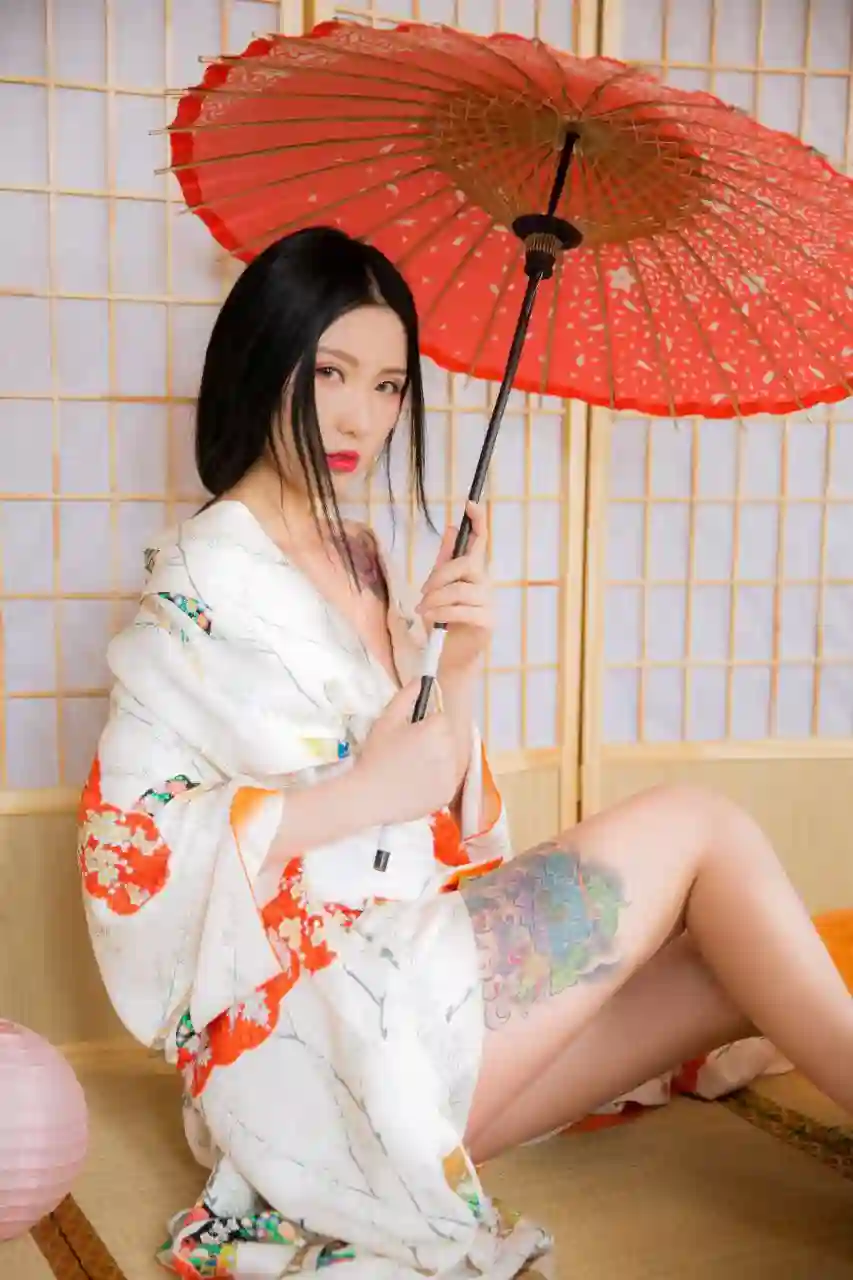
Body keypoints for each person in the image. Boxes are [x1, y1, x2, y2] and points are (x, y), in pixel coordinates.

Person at [78, 227, 853, 1280]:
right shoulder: (197, 582)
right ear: (262, 360)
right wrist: (361, 792)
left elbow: (435, 807)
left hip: (413, 1021)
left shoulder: (363, 555)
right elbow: (132, 847)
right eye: (331, 373)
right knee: (702, 826)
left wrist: (464, 662)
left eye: (389, 386)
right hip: (321, 1032)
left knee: (730, 961)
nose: (360, 417)